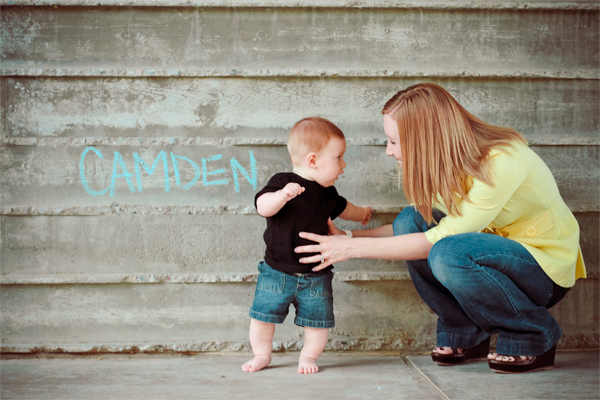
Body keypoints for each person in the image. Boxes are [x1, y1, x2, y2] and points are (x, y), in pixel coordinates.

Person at [294, 83, 586, 374]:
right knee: (411, 219)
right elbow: (412, 232)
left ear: (424, 139)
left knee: (448, 253)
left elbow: (437, 241)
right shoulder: (444, 166)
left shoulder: (501, 162)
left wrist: (351, 250)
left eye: (394, 141)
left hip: (543, 270)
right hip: (492, 255)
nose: (388, 151)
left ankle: (533, 336)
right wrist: (348, 236)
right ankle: (465, 334)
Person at [242, 117, 372, 374]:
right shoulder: (283, 182)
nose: (343, 165)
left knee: (318, 322)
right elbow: (261, 207)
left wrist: (364, 213)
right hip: (275, 272)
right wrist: (281, 196)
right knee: (262, 317)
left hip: (316, 276)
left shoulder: (328, 195)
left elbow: (347, 209)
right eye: (339, 158)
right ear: (313, 160)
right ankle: (261, 354)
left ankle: (309, 357)